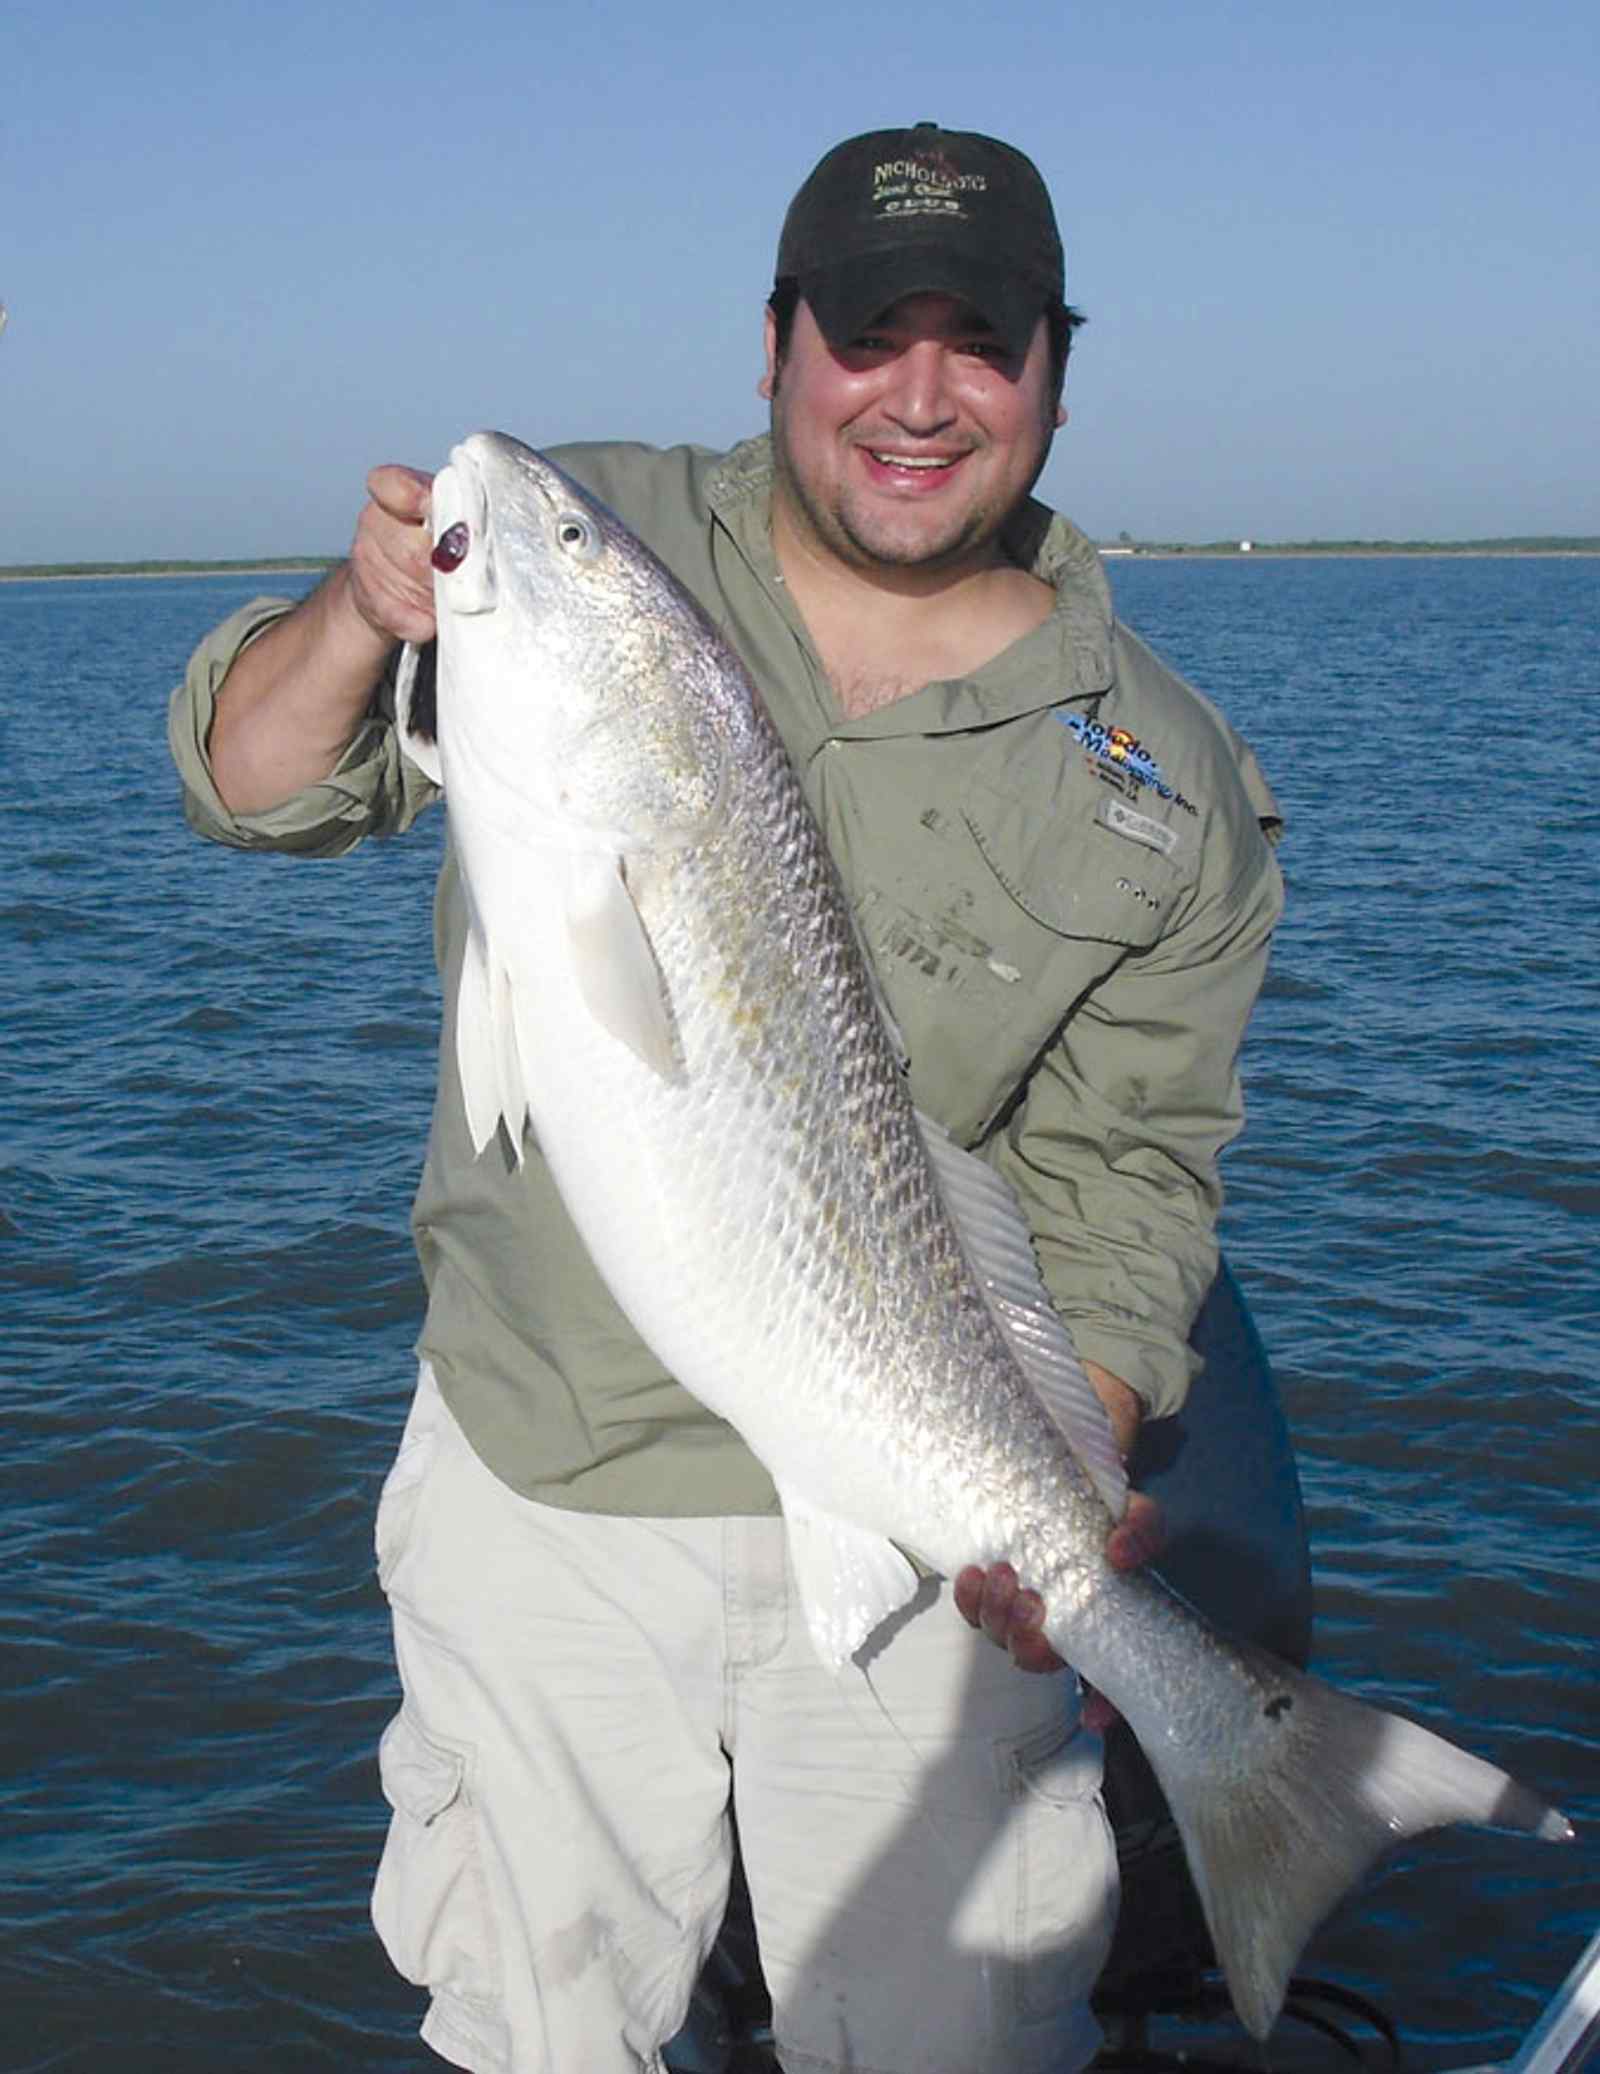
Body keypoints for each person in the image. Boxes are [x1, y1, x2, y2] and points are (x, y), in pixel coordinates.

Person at [169, 122, 1282, 2074]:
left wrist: (1062, 1484)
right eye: (866, 333)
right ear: (774, 345)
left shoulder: (1168, 777)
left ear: (1054, 371)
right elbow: (250, 785)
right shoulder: (600, 545)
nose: (917, 394)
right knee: (536, 2029)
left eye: (979, 340)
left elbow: (1129, 1178)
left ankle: (1266, 1781)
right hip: (551, 1467)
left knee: (950, 2038)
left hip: (916, 1504)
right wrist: (364, 609)